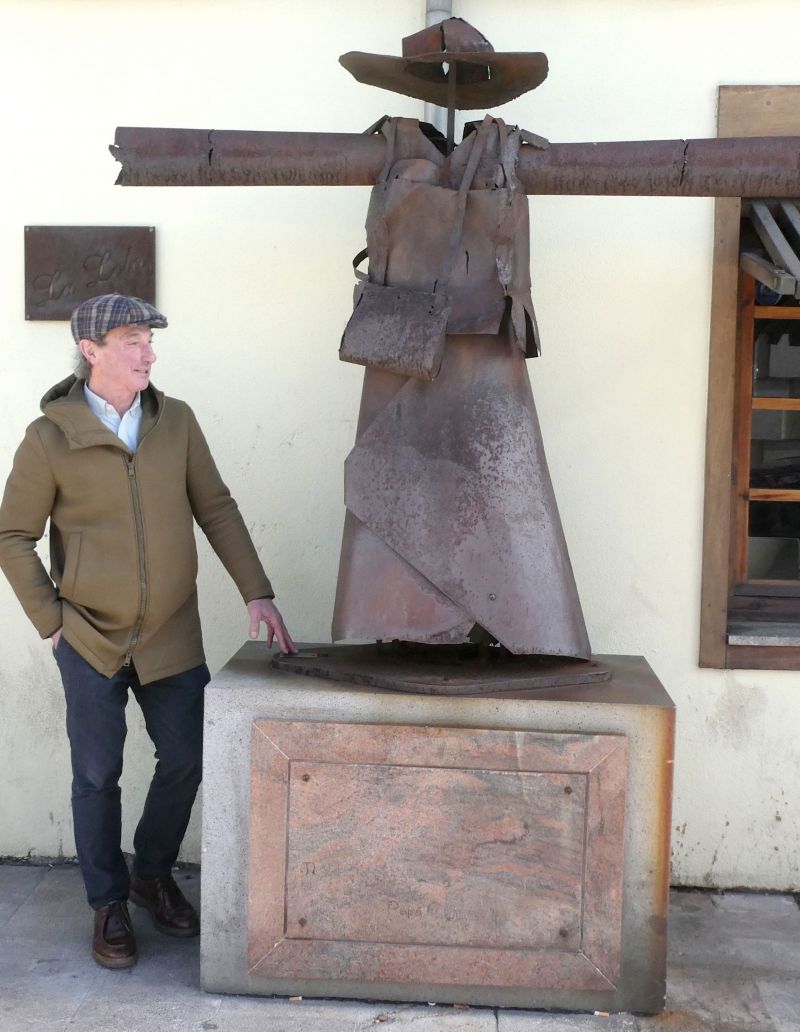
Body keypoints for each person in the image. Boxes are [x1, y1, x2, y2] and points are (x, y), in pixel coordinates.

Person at [0, 293, 295, 969]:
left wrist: (258, 591)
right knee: (96, 775)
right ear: (91, 350)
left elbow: (215, 507)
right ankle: (107, 905)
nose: (148, 353)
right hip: (90, 639)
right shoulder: (49, 439)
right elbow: (13, 536)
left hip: (169, 634)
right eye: (132, 340)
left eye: (149, 339)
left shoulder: (176, 423)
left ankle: (151, 871)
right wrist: (52, 623)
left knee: (188, 755)